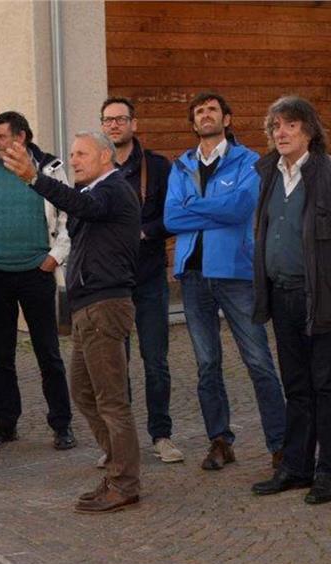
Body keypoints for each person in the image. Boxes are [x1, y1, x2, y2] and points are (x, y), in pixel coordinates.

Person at [3, 131, 142, 513]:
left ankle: (124, 483)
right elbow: (79, 209)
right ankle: (117, 468)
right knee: (83, 392)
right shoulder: (93, 192)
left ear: (105, 157)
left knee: (111, 400)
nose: (74, 160)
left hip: (105, 306)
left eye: (82, 154)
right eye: (72, 154)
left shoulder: (112, 189)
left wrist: (34, 177)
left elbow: (83, 206)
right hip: (86, 308)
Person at [164, 91, 286, 471]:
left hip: (235, 274)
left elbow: (239, 209)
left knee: (259, 361)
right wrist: (206, 211)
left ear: (226, 119)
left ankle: (281, 444)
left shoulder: (249, 162)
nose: (206, 115)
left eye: (212, 110)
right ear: (193, 122)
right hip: (193, 276)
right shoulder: (181, 166)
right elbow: (170, 218)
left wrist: (192, 207)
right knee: (206, 364)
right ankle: (219, 441)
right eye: (199, 111)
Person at [249, 97, 331, 504]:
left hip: (324, 298)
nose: (280, 133)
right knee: (296, 385)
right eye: (275, 126)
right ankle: (296, 467)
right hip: (282, 295)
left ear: (309, 130)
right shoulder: (268, 173)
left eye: (290, 125)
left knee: (327, 385)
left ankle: (330, 472)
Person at [0, 111, 75, 451]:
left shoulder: (49, 169)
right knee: (0, 355)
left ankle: (61, 424)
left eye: (1, 136)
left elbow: (68, 214)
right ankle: (5, 422)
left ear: (21, 137)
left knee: (48, 352)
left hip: (36, 273)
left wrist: (55, 256)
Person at [99, 97, 181, 464]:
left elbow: (173, 216)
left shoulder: (158, 167)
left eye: (120, 119)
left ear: (134, 124)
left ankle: (161, 436)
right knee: (116, 365)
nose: (114, 125)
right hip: (111, 283)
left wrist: (144, 232)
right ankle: (120, 443)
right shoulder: (98, 168)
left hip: (149, 279)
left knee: (155, 361)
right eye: (108, 120)